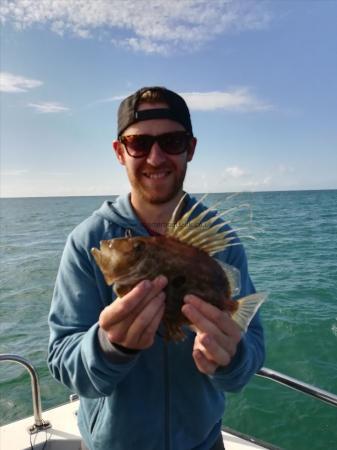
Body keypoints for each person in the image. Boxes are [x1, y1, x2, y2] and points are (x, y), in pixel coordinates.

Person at [48, 86, 265, 450]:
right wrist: (108, 347)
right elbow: (62, 362)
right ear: (120, 152)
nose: (155, 157)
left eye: (172, 141)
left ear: (190, 149)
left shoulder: (222, 242)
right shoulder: (87, 241)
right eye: (138, 143)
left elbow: (250, 355)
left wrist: (232, 357)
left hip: (203, 443)